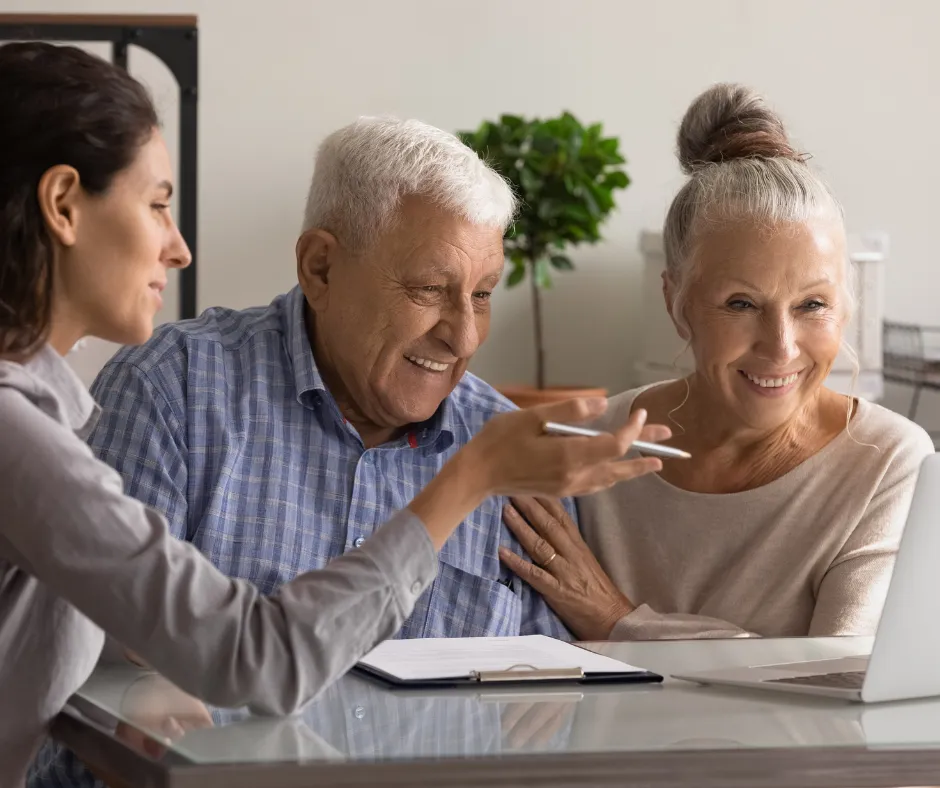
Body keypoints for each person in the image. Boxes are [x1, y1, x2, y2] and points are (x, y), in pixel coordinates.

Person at [0, 42, 668, 787]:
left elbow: (547, 726)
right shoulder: (132, 402)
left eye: (481, 295)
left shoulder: (508, 441)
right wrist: (470, 479)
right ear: (319, 267)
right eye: (427, 289)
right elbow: (238, 660)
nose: (466, 334)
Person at [498, 83, 935, 641]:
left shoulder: (888, 463)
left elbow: (838, 682)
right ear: (675, 302)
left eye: (812, 305)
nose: (780, 345)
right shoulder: (590, 446)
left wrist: (619, 623)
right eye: (741, 303)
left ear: (846, 305)